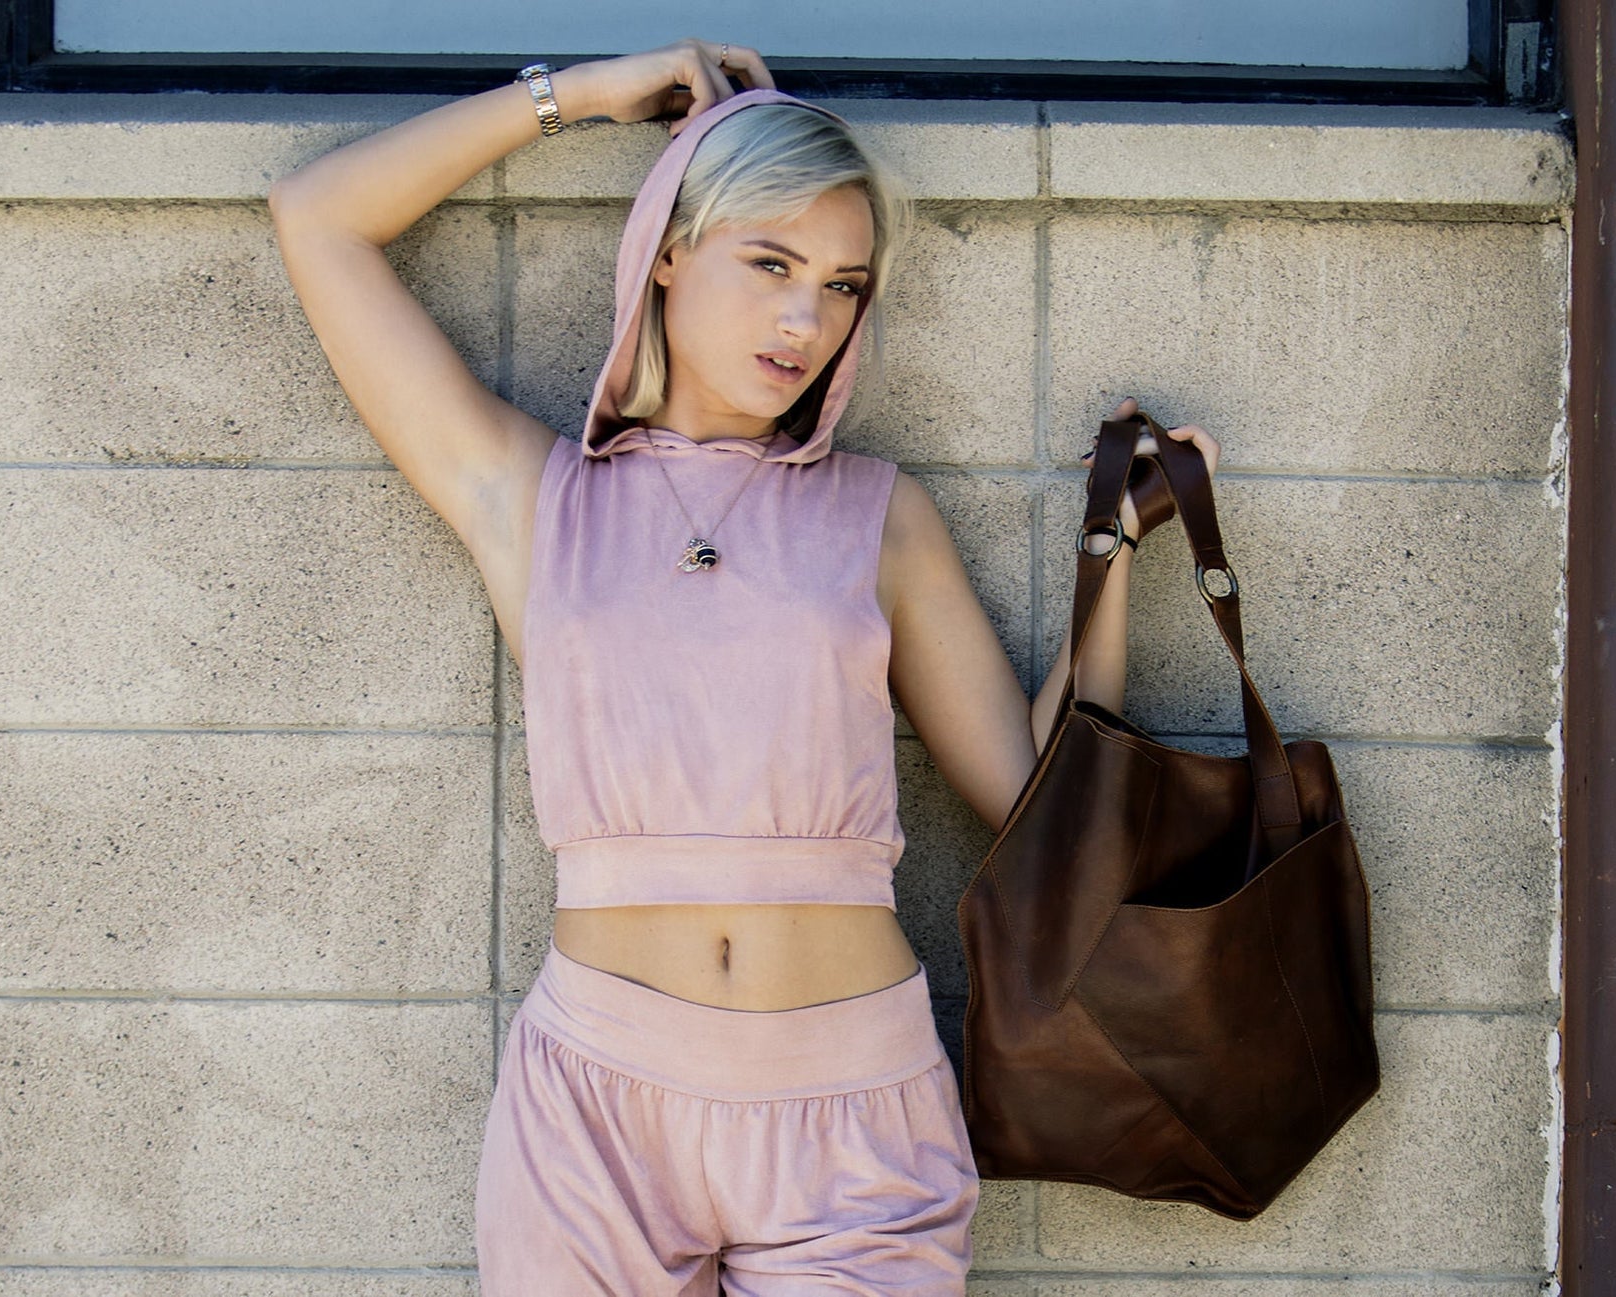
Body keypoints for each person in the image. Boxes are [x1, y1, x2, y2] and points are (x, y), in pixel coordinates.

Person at [269, 37, 1218, 1294]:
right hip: (595, 1117)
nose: (803, 320)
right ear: (667, 251)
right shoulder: (535, 500)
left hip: (854, 1122)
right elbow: (318, 217)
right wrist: (582, 95)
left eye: (840, 286)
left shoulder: (879, 518)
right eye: (770, 263)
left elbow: (1031, 796)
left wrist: (1112, 553)